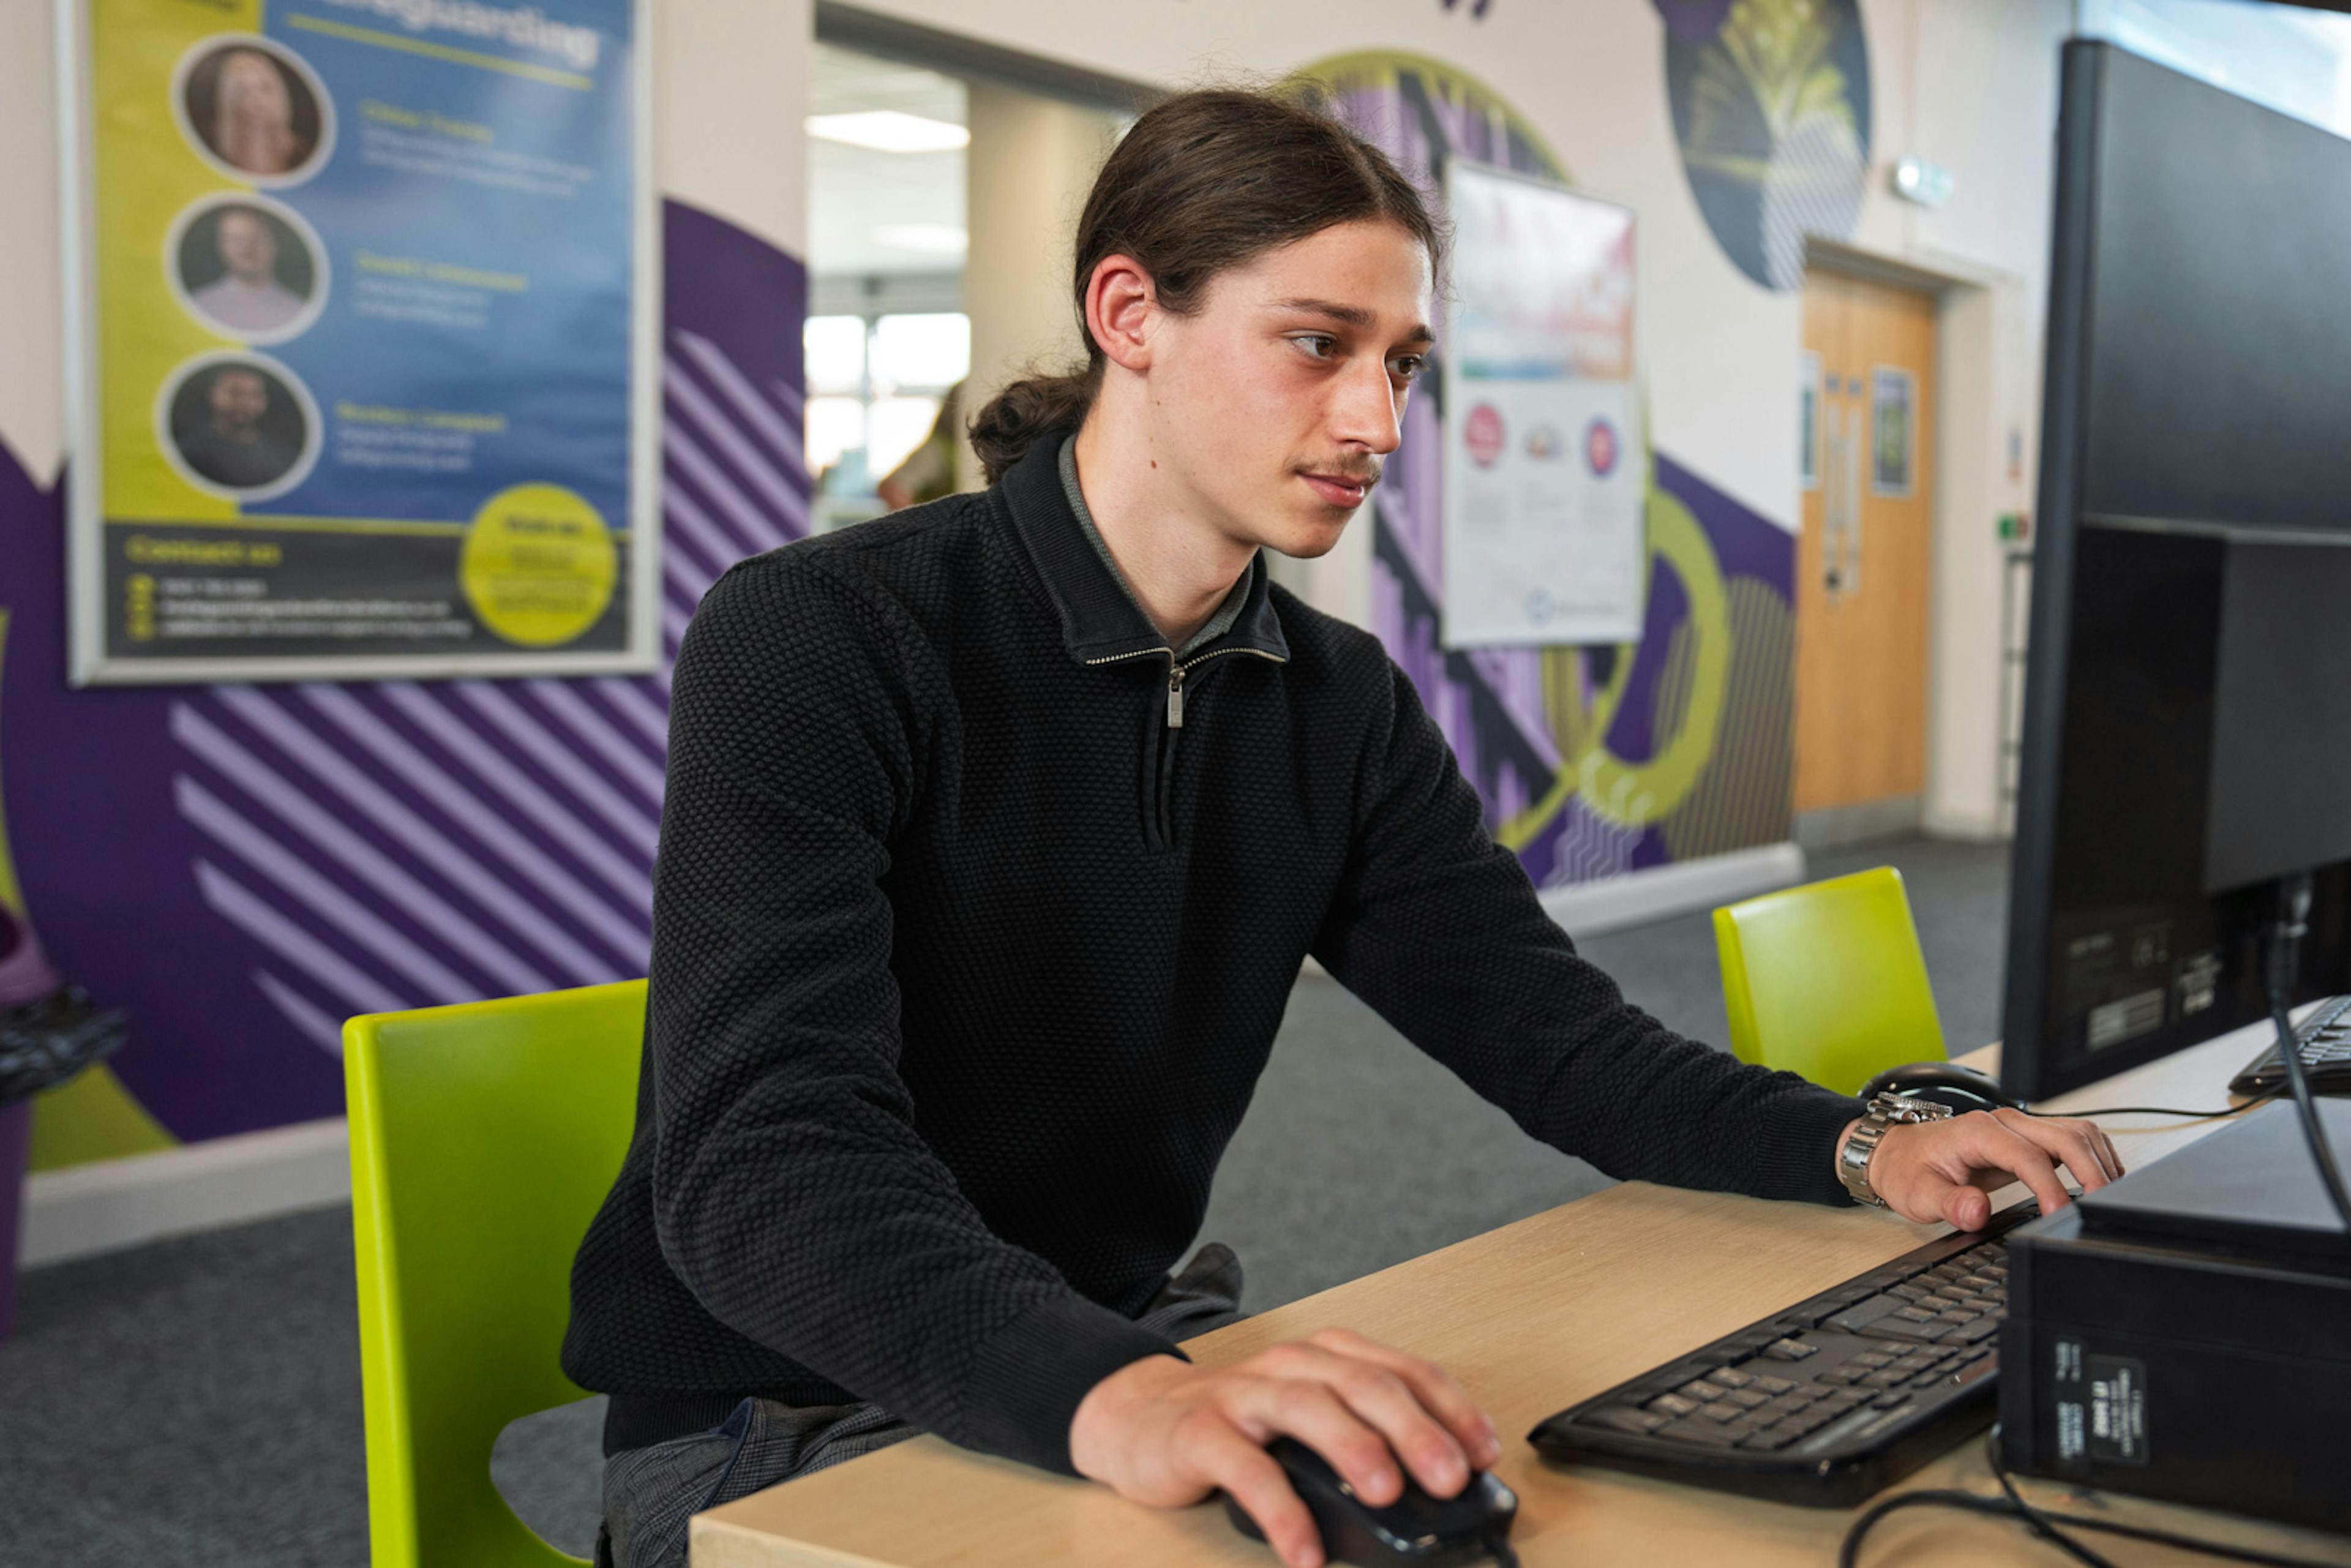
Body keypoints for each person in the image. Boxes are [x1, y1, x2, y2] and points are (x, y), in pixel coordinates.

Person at [563, 88, 2121, 1568]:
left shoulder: (1328, 698)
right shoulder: (827, 634)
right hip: (788, 1411)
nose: (1373, 418)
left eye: (1401, 363)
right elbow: (764, 1160)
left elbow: (1547, 1032)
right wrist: (1124, 1391)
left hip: (1114, 1343)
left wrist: (1858, 1142)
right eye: (1315, 345)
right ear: (1129, 317)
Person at [174, 366, 296, 490]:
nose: (244, 403)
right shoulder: (186, 452)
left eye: (254, 395)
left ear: (264, 402)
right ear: (213, 396)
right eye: (234, 393)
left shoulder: (283, 460)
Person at [189, 208, 306, 335]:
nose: (246, 247)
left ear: (275, 243)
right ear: (221, 246)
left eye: (256, 237)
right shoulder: (198, 304)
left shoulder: (297, 310)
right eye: (236, 239)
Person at [202, 48, 309, 177]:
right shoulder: (211, 144)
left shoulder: (301, 152)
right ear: (231, 99)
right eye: (244, 91)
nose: (257, 101)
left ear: (278, 94)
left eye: (264, 89)